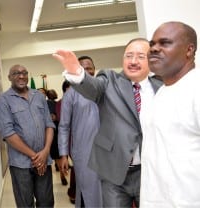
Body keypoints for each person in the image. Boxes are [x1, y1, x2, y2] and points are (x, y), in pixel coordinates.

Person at [52, 38, 162, 207]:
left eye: (140, 56)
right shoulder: (109, 80)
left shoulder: (162, 86)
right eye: (128, 55)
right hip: (113, 172)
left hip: (151, 172)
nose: (133, 61)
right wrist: (77, 72)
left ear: (151, 59)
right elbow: (92, 88)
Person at [140, 21, 200, 207]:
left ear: (189, 50)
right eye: (152, 44)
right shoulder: (163, 92)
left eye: (165, 43)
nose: (154, 49)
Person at [0, 64, 55, 207]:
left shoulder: (39, 96)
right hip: (21, 164)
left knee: (46, 202)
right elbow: (8, 133)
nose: (21, 76)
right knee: (25, 204)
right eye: (16, 73)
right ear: (9, 77)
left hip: (44, 160)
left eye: (24, 73)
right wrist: (36, 157)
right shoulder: (3, 100)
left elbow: (49, 125)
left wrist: (45, 152)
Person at [58, 56, 103, 207]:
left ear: (94, 70)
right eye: (83, 68)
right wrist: (63, 155)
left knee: (108, 193)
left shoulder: (105, 89)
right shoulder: (70, 94)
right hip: (84, 152)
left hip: (108, 151)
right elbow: (63, 126)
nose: (87, 71)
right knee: (87, 192)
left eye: (90, 67)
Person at [47, 89, 68, 186]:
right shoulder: (56, 104)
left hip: (57, 131)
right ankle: (62, 174)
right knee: (59, 153)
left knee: (57, 153)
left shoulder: (57, 103)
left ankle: (61, 170)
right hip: (56, 131)